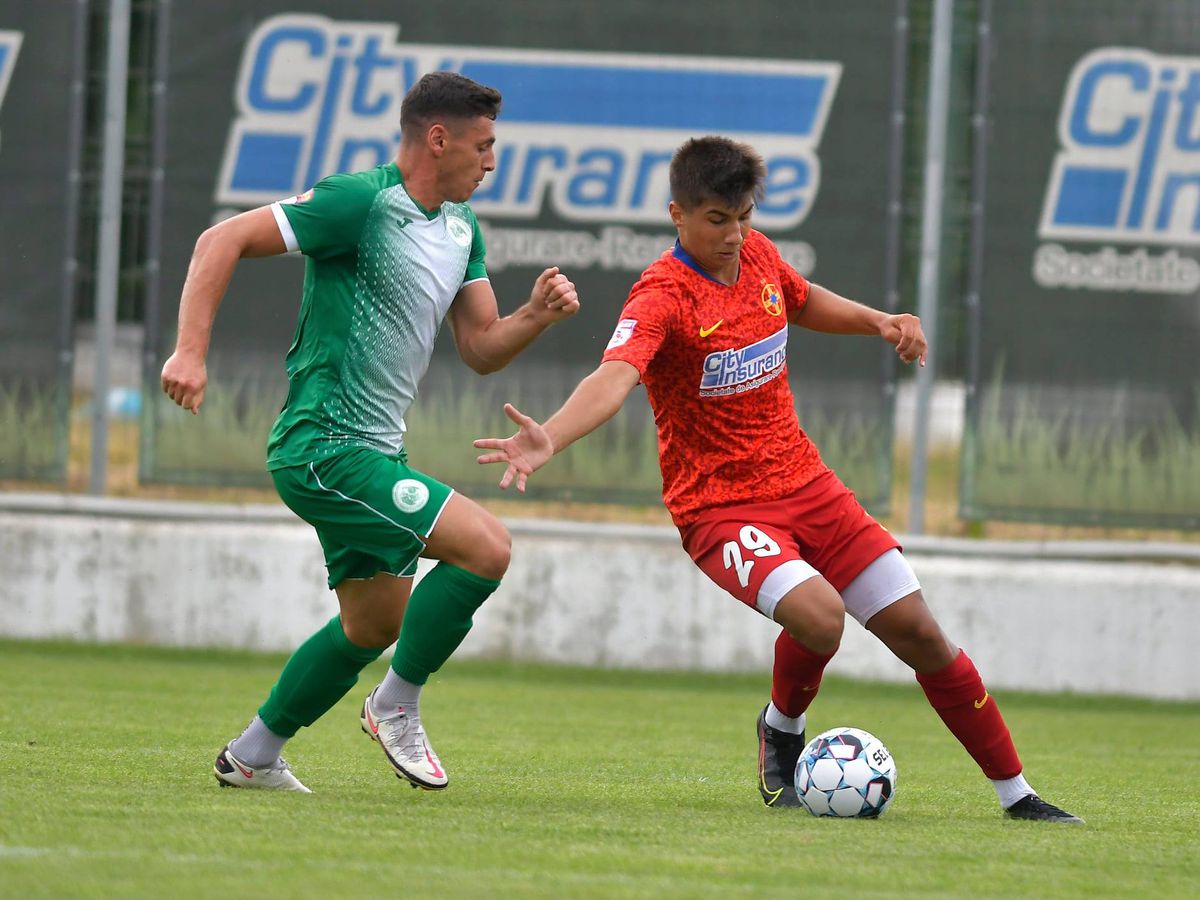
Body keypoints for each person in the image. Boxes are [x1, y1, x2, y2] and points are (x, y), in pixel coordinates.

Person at [473, 136, 1082, 823]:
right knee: (821, 618)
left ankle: (1017, 795)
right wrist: (549, 436)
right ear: (678, 215)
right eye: (715, 220)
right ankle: (782, 729)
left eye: (744, 217)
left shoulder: (757, 256)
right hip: (721, 509)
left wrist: (878, 321)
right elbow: (614, 378)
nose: (733, 235)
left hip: (808, 485)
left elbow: (800, 298)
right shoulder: (663, 294)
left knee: (921, 633)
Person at [161, 71, 579, 793]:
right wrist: (189, 352)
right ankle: (396, 706)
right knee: (486, 549)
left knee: (373, 624)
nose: (491, 161)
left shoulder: (460, 227)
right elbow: (219, 240)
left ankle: (253, 756)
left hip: (374, 451)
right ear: (437, 138)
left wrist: (535, 315)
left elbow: (480, 347)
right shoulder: (360, 201)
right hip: (324, 445)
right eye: (483, 146)